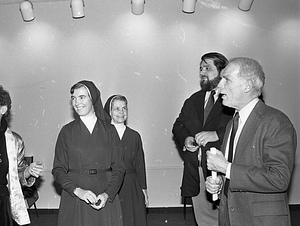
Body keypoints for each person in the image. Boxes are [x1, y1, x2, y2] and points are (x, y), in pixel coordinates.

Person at [205, 57, 297, 226]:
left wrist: (226, 167)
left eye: (227, 80)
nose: (219, 86)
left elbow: (279, 178)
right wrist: (220, 183)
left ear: (247, 86)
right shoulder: (233, 123)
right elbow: (238, 171)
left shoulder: (275, 121)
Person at [172, 52, 234, 226]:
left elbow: (242, 125)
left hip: (223, 172)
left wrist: (216, 134)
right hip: (196, 171)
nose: (202, 72)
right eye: (201, 68)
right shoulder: (193, 100)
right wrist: (186, 140)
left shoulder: (232, 98)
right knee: (204, 221)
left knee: (227, 219)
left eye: (208, 68)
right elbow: (178, 126)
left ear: (222, 71)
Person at [52, 80, 125, 226]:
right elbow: (58, 170)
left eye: (81, 97)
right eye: (73, 98)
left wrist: (107, 195)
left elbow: (119, 168)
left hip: (104, 193)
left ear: (93, 99)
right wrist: (78, 191)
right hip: (75, 196)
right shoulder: (66, 131)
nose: (76, 102)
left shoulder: (109, 130)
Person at [0, 85, 43, 226]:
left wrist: (27, 171)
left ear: (3, 109)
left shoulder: (14, 141)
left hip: (1, 202)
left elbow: (16, 173)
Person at [104, 94, 148, 226]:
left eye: (124, 108)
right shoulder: (103, 134)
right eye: (117, 108)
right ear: (110, 111)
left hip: (130, 185)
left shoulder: (134, 136)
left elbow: (140, 164)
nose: (121, 112)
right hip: (109, 184)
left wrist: (143, 189)